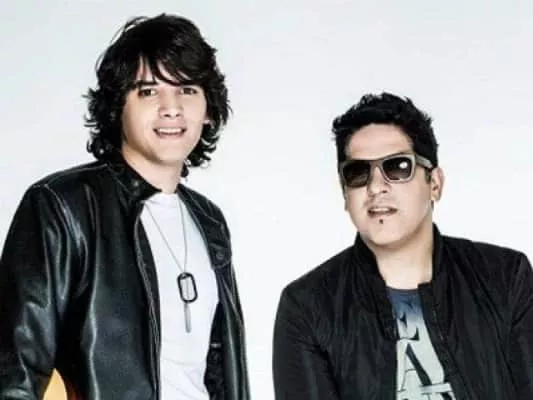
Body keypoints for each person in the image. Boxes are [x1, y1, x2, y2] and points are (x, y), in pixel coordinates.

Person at [0, 14, 249, 400]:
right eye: (148, 91)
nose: (171, 108)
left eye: (187, 89)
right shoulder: (63, 206)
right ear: (119, 107)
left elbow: (218, 372)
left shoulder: (208, 221)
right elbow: (16, 369)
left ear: (208, 109)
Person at [272, 92, 533, 399]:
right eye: (358, 173)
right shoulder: (308, 307)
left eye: (397, 167)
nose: (375, 187)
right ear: (345, 194)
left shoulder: (504, 278)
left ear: (434, 183)